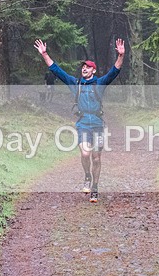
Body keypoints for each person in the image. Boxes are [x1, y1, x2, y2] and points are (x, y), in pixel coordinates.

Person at [34, 37, 126, 203]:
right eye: (83, 67)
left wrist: (120, 55)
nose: (84, 69)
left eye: (88, 67)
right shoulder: (75, 83)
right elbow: (57, 70)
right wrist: (44, 54)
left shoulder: (100, 83)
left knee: (96, 158)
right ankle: (87, 176)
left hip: (97, 125)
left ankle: (95, 189)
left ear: (93, 71)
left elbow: (114, 71)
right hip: (83, 124)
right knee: (85, 153)